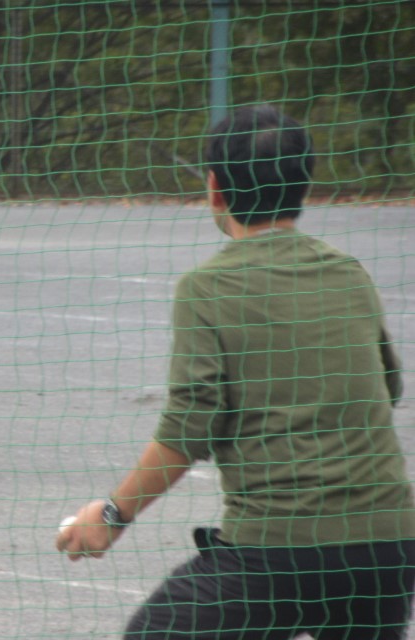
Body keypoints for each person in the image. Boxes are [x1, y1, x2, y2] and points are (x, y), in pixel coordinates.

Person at [56, 104, 415, 639]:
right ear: (305, 183)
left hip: (276, 551)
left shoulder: (206, 288)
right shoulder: (350, 273)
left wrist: (111, 515)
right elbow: (389, 387)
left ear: (215, 189)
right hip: (387, 548)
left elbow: (188, 426)